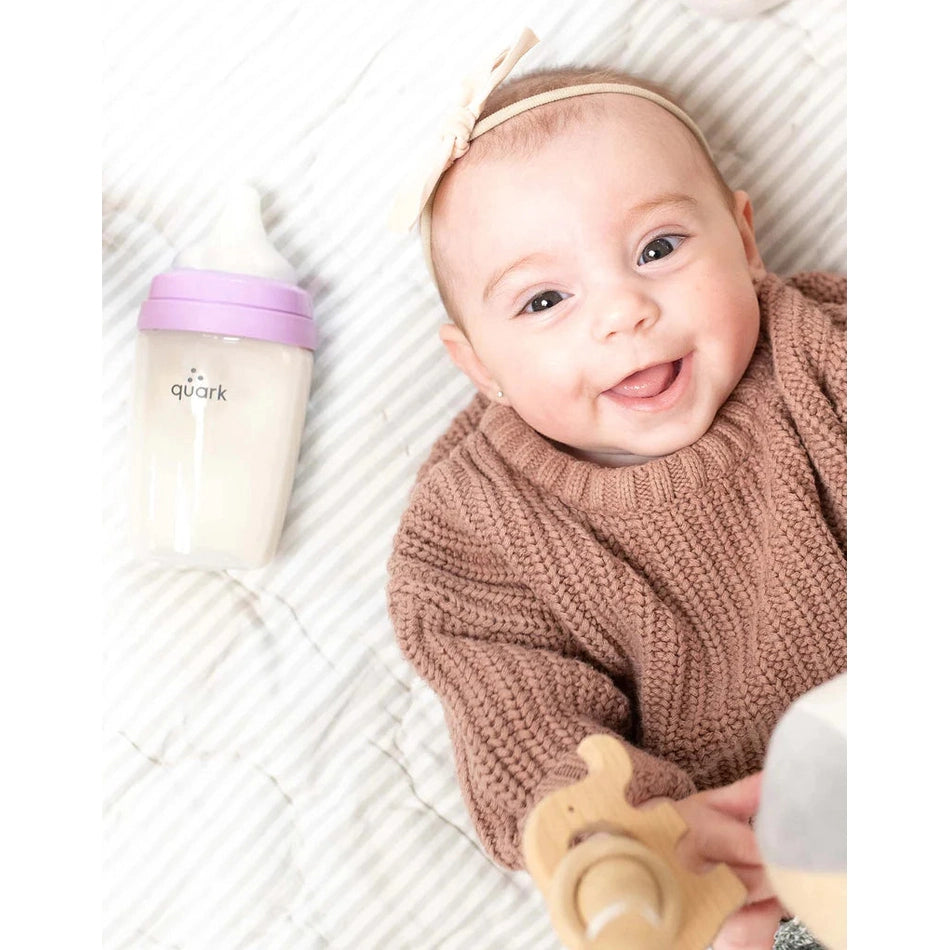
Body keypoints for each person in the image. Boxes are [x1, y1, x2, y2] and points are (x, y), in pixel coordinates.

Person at [387, 29, 845, 950]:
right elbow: (523, 722)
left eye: (658, 247)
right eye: (543, 302)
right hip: (755, 880)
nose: (620, 312)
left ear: (745, 240)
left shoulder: (826, 349)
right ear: (479, 367)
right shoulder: (474, 527)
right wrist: (625, 836)